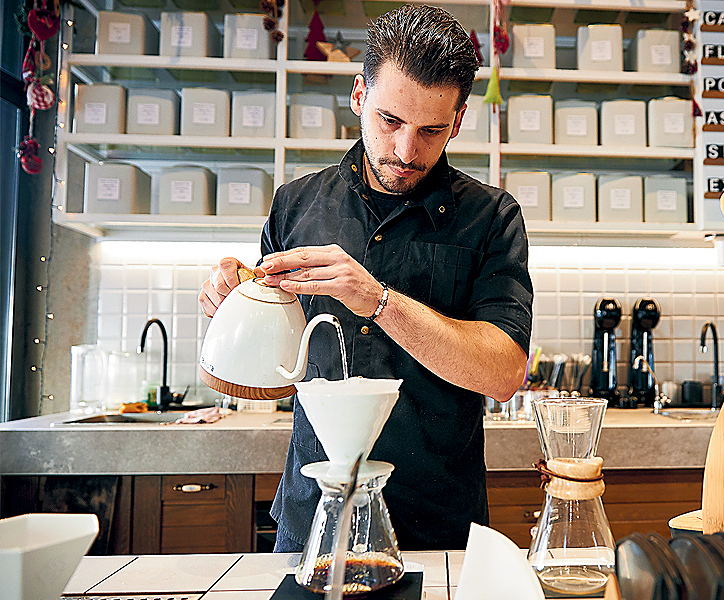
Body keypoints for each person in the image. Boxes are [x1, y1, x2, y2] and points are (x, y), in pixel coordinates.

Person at [198, 4, 533, 551]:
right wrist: (229, 301)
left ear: (458, 121)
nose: (406, 151)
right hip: (311, 520)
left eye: (431, 130)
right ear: (359, 95)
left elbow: (503, 374)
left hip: (436, 527)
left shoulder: (491, 218)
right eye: (390, 121)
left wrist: (379, 301)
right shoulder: (295, 206)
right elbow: (267, 365)